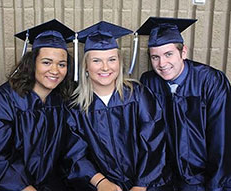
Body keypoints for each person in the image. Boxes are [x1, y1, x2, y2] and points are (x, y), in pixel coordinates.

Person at [64, 21, 165, 191]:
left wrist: (142, 184)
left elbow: (154, 141)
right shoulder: (75, 108)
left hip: (147, 184)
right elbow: (75, 154)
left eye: (112, 59)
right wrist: (101, 182)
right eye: (96, 60)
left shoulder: (138, 95)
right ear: (86, 67)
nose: (105, 67)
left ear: (119, 63)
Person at [137, 17, 231, 191]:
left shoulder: (211, 81)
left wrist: (216, 187)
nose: (162, 64)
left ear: (183, 52)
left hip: (199, 179)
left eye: (168, 54)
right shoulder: (148, 82)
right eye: (155, 57)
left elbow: (221, 139)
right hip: (163, 177)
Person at [0, 19, 77, 191]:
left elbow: (69, 152)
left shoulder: (61, 102)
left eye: (61, 64)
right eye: (46, 62)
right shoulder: (1, 101)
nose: (55, 70)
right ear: (32, 63)